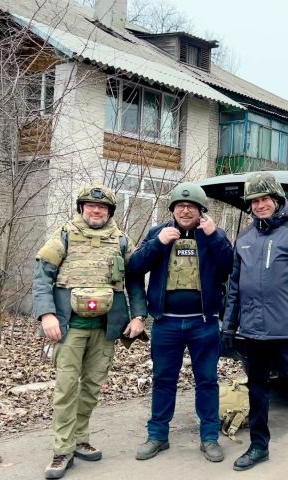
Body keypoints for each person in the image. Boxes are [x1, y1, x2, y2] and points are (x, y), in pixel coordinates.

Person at [33, 184, 148, 479]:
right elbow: (43, 275)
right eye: (90, 206)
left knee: (92, 386)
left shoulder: (121, 240)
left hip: (107, 327)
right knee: (66, 387)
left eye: (102, 208)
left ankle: (80, 439)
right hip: (69, 327)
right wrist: (47, 314)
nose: (95, 211)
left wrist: (138, 316)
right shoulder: (64, 235)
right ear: (81, 208)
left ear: (109, 212)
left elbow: (134, 279)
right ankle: (62, 450)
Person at [222, 173, 288, 480]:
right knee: (257, 391)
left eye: (264, 199)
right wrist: (229, 327)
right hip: (254, 334)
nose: (259, 205)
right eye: (254, 201)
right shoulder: (244, 239)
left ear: (278, 200)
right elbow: (234, 287)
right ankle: (259, 446)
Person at [127, 182, 233, 463]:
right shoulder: (158, 233)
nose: (186, 210)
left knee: (207, 381)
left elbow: (232, 268)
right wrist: (159, 243)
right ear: (173, 209)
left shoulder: (213, 234)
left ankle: (209, 438)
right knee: (163, 380)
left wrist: (214, 238)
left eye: (192, 206)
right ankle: (158, 436)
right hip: (166, 324)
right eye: (180, 206)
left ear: (201, 210)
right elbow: (134, 267)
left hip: (205, 324)